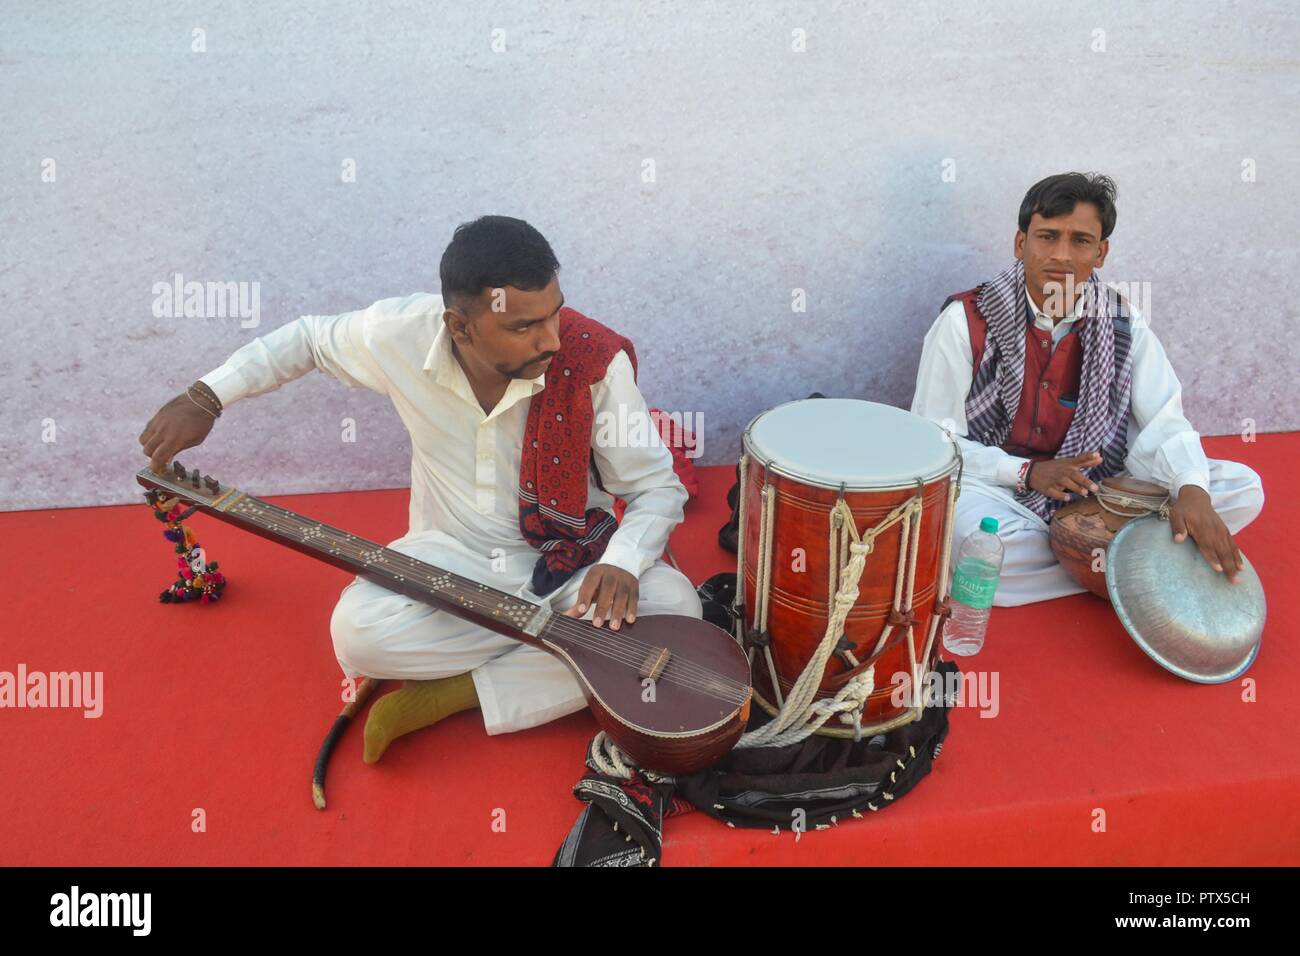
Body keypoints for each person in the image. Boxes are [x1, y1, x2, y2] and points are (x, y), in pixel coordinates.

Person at [138, 215, 701, 760]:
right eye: (523, 327)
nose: (551, 340)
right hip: (449, 561)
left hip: (571, 560)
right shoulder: (398, 335)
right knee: (357, 636)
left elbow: (656, 487)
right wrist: (206, 397)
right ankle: (572, 656)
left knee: (678, 610)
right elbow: (308, 339)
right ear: (459, 326)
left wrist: (625, 563)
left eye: (553, 315)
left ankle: (450, 695)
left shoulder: (591, 365)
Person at [911, 172, 1264, 606]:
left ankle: (1093, 558)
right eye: (1047, 237)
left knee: (1241, 488)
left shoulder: (1121, 321)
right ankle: (1137, 564)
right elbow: (932, 441)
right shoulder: (964, 321)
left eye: (1079, 241)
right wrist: (1026, 473)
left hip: (1100, 486)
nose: (1061, 255)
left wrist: (1191, 493)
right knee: (974, 539)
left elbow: (1163, 421)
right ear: (1020, 245)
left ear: (1101, 252)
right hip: (1000, 486)